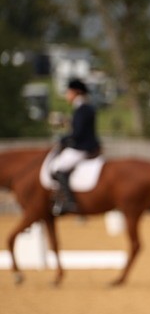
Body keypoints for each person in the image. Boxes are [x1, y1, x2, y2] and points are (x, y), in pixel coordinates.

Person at [50, 78, 99, 216]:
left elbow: (78, 133)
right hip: (83, 146)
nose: (67, 95)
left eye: (68, 92)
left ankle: (69, 202)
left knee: (58, 168)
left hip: (83, 147)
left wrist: (62, 140)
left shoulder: (83, 109)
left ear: (76, 92)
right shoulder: (83, 108)